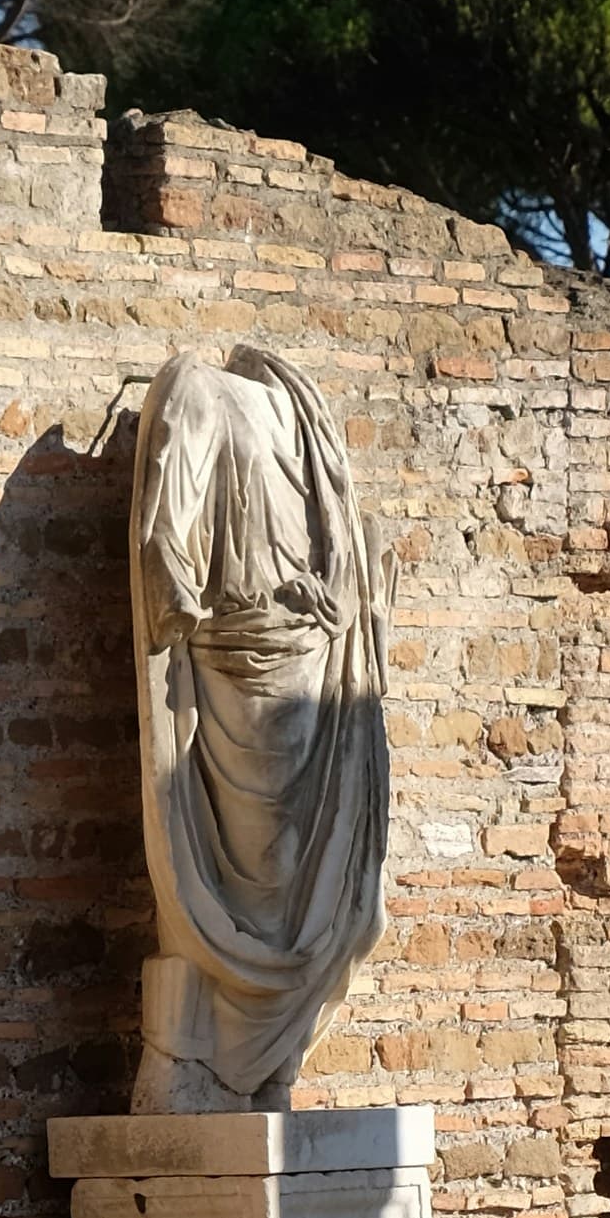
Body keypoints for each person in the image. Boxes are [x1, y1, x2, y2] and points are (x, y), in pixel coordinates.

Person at [128, 346, 390, 1113]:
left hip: (311, 658)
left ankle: (260, 1062)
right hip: (242, 658)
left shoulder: (303, 414)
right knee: (257, 869)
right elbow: (166, 549)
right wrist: (241, 596)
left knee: (345, 895)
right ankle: (198, 1063)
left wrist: (326, 598)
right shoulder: (196, 391)